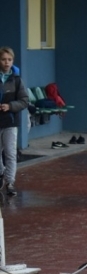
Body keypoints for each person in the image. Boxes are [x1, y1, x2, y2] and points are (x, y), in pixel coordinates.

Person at [0, 47, 29, 196]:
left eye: (9, 60)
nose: (6, 63)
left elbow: (24, 101)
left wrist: (10, 106)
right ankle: (1, 174)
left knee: (10, 153)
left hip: (10, 121)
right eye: (4, 59)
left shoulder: (17, 80)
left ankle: (10, 182)